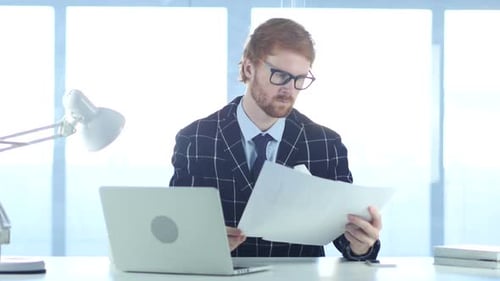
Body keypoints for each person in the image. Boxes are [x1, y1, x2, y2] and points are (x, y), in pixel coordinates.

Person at [169, 17, 381, 260]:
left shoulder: (325, 143)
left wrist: (361, 245)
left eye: (300, 79)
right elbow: (180, 232)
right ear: (249, 68)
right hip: (225, 275)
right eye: (280, 75)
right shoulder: (196, 139)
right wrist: (204, 243)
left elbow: (346, 238)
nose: (289, 89)